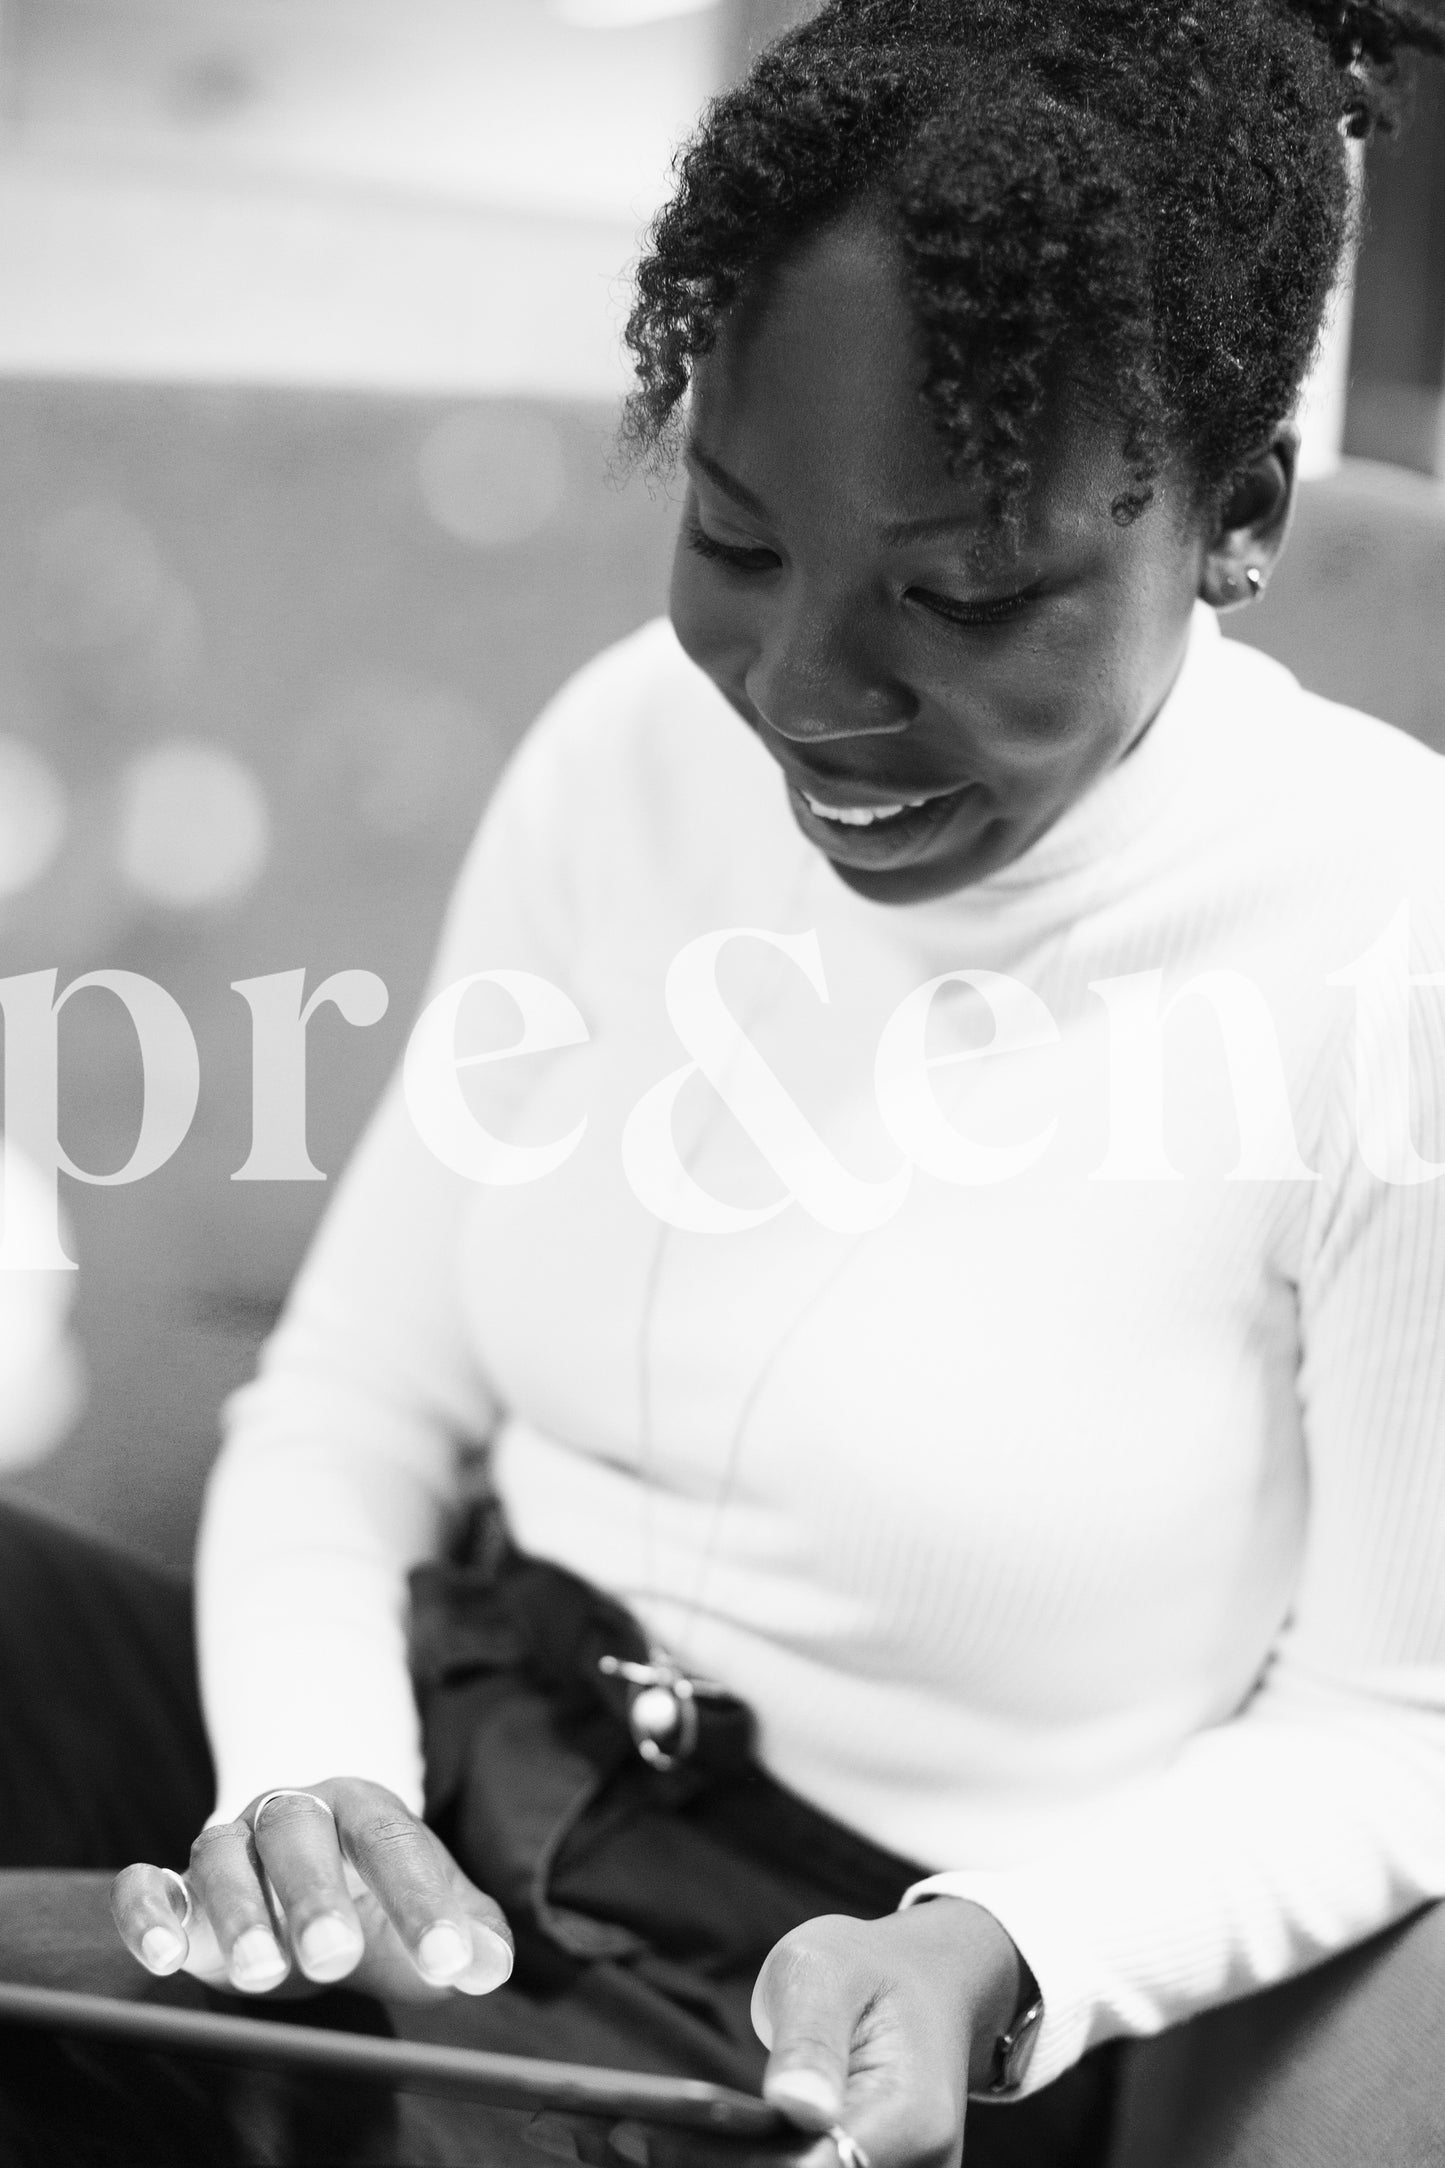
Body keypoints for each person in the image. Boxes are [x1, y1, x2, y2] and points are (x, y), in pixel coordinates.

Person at [5, 2, 1445, 2163]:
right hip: (432, 1787)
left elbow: (1403, 1723)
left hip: (830, 2011)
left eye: (962, 596)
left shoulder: (1388, 941)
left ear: (1238, 515)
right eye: (743, 543)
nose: (801, 696)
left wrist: (999, 1954)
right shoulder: (628, 750)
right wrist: (317, 1790)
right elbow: (352, 1407)